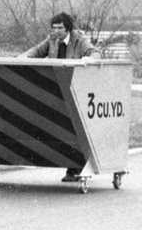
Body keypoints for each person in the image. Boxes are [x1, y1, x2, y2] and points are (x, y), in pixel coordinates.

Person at [23, 12, 101, 181]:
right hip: (57, 88)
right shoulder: (52, 39)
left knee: (74, 129)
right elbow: (35, 51)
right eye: (54, 28)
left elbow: (94, 53)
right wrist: (22, 59)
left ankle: (74, 169)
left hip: (75, 89)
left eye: (60, 28)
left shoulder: (80, 40)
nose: (56, 31)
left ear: (68, 28)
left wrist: (88, 59)